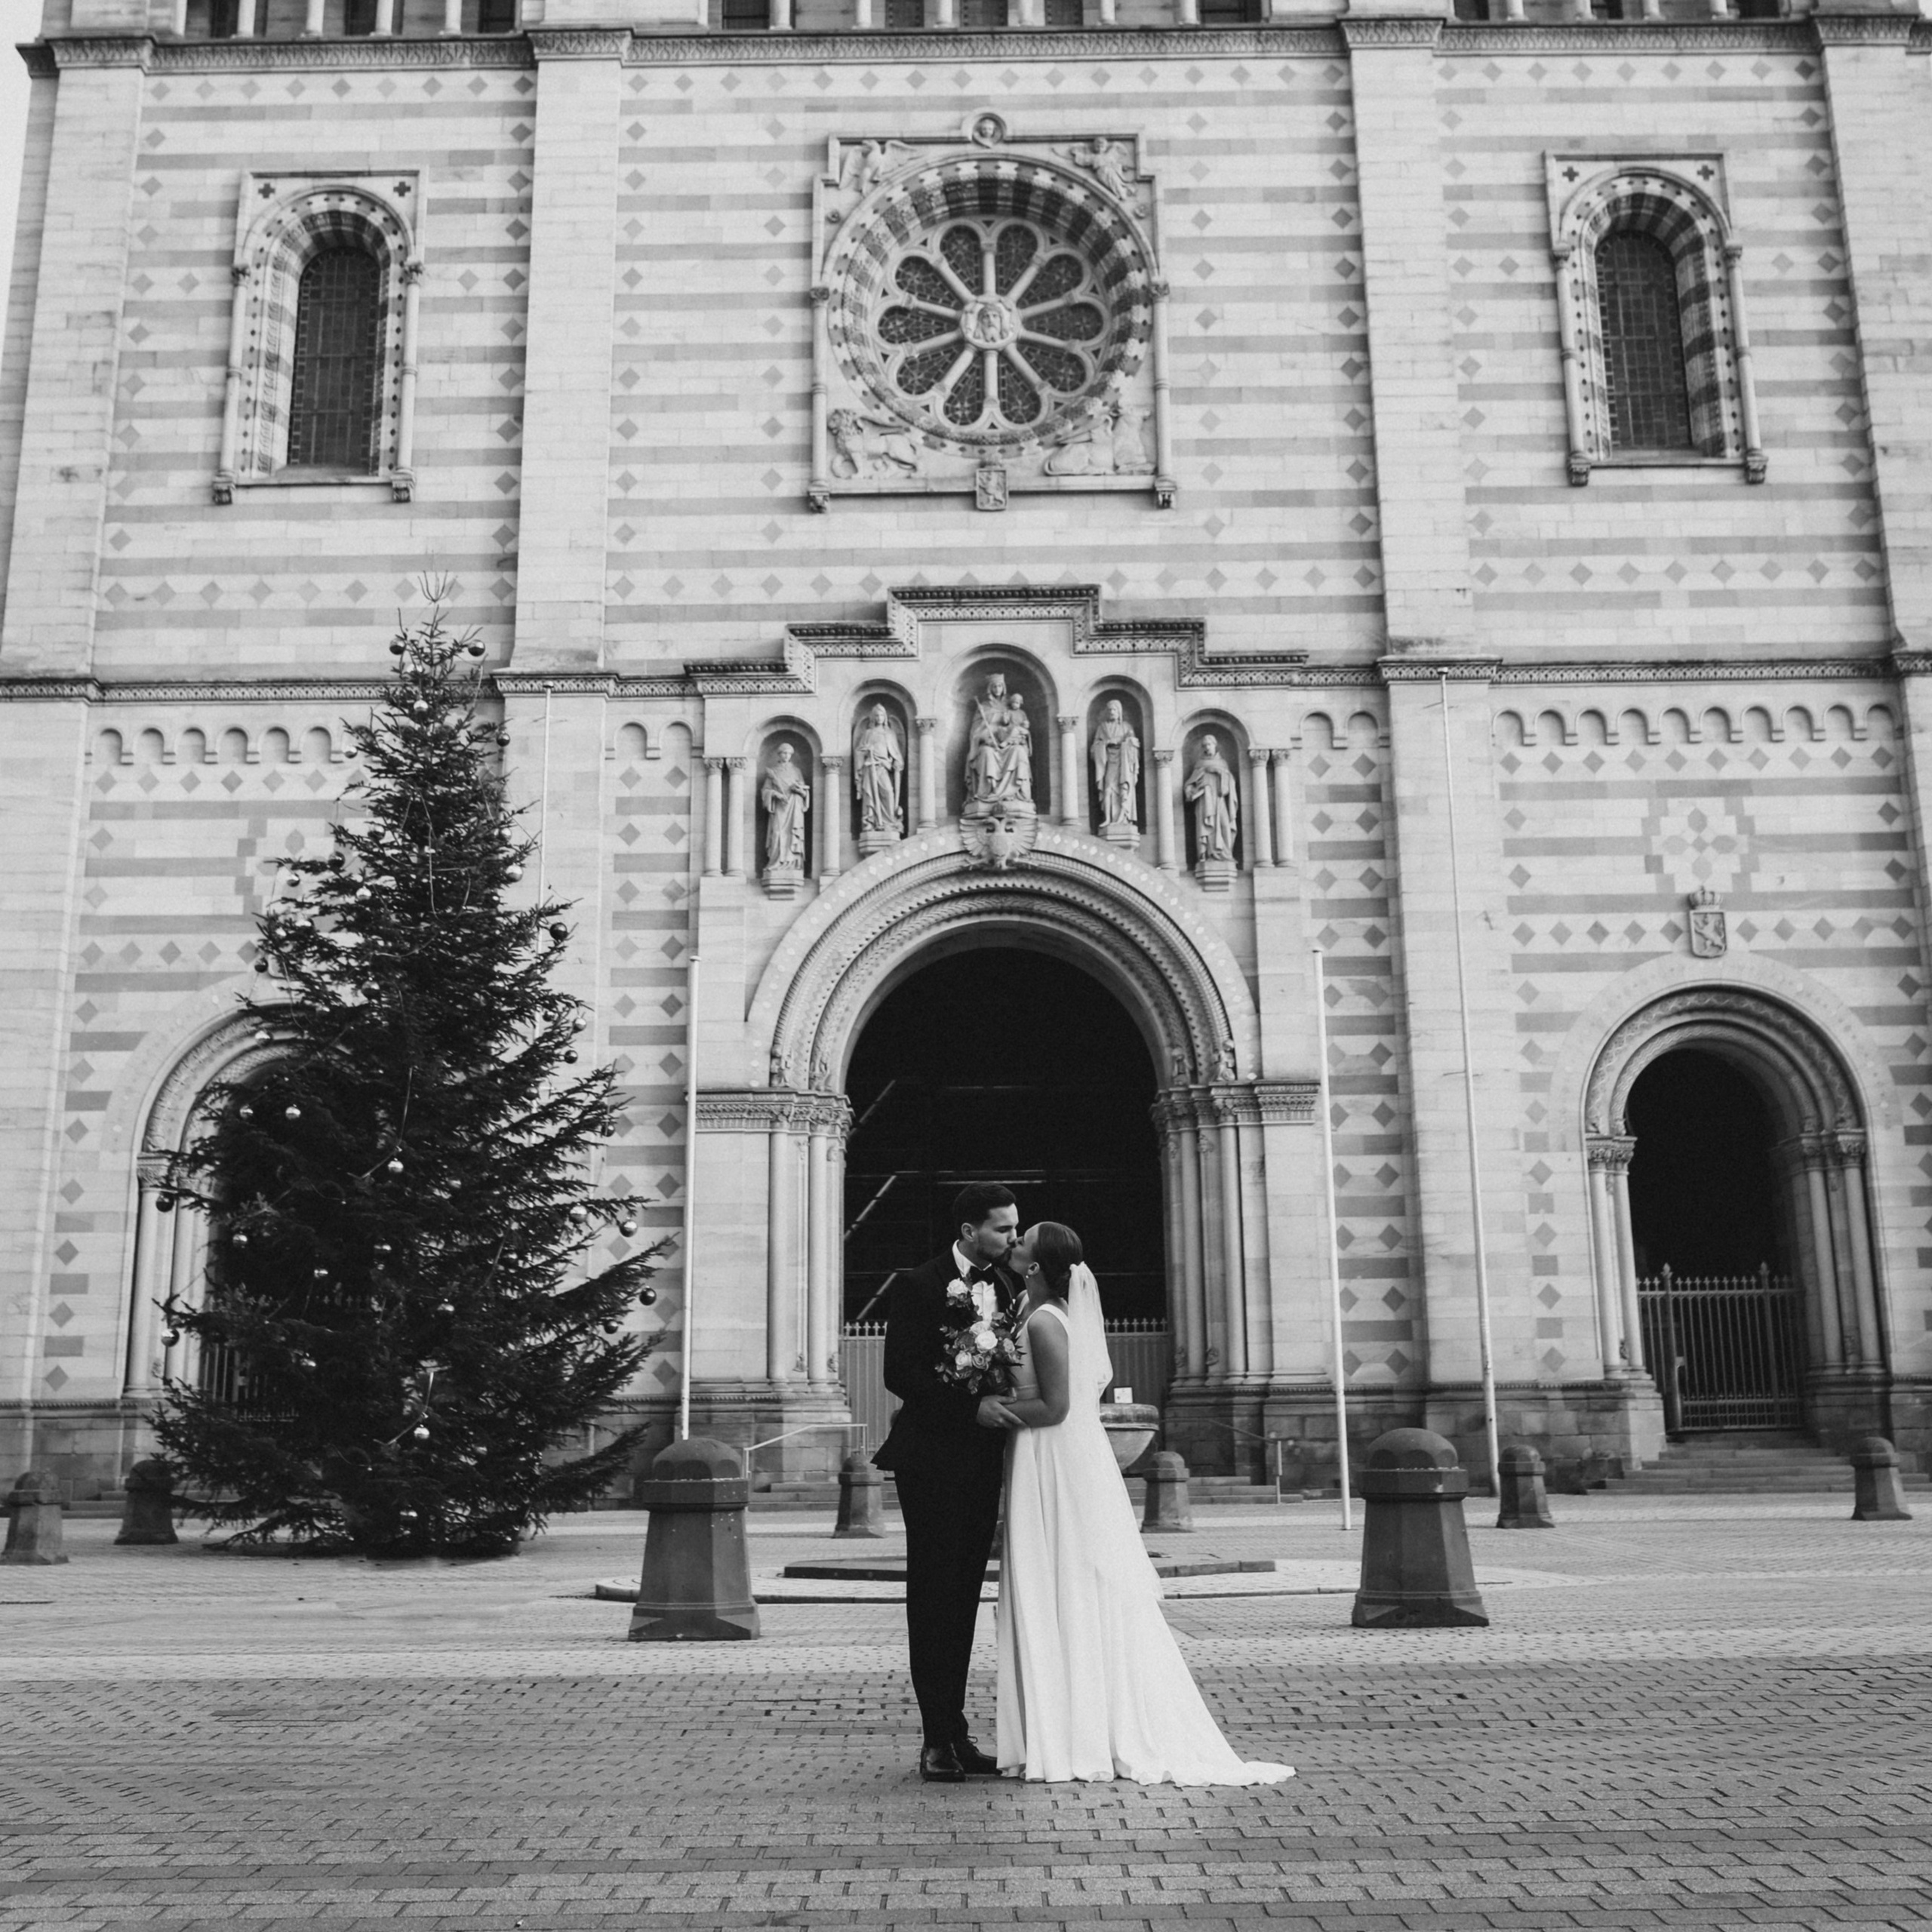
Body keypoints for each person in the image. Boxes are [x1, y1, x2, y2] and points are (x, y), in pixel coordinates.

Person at [983, 1220, 1295, 1787]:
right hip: (1039, 1458)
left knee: (1065, 1580)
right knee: (1053, 1580)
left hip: (1050, 1456)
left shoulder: (1047, 1322)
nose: (1015, 1239)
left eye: (1024, 1237)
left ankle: (1078, 1735)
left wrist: (988, 1411)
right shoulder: (1033, 1315)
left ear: (1035, 1264)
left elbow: (1055, 1408)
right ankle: (1061, 1728)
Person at [872, 1182, 1020, 1782]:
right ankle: (936, 1739)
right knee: (932, 1597)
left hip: (981, 1462)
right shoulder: (920, 1284)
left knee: (962, 1599)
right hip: (930, 1462)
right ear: (969, 1232)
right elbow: (900, 1373)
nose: (1013, 1237)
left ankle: (957, 1734)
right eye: (1003, 1229)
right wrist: (970, 1410)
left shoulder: (1006, 1286)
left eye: (1014, 1228)